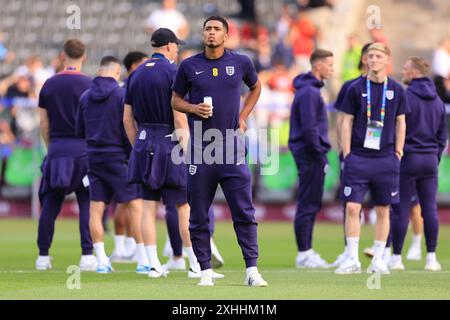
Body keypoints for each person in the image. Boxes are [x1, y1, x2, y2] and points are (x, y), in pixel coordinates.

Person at [172, 16, 267, 287]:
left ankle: (252, 270)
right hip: (201, 146)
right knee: (198, 212)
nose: (211, 33)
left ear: (226, 35)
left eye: (216, 29)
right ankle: (204, 270)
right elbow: (175, 100)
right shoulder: (189, 65)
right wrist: (193, 108)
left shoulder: (241, 62)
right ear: (203, 34)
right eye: (207, 29)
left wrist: (243, 115)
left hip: (231, 145)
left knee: (244, 211)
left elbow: (256, 86)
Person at [124, 28, 216, 279]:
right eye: (176, 45)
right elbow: (179, 118)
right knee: (183, 206)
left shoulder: (136, 74)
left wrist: (138, 146)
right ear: (168, 46)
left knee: (147, 207)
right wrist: (189, 153)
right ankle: (196, 264)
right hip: (169, 143)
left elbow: (127, 118)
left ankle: (153, 264)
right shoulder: (175, 72)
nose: (177, 49)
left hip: (144, 142)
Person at [335, 42, 409, 275]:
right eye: (370, 56)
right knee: (353, 207)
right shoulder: (355, 87)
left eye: (378, 56)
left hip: (386, 158)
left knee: (383, 209)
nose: (373, 60)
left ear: (388, 60)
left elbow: (401, 121)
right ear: (365, 60)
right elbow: (345, 120)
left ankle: (378, 258)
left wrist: (398, 150)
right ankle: (352, 258)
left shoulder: (396, 89)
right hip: (358, 156)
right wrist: (346, 152)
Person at [76, 56, 149, 274]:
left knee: (96, 209)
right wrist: (133, 156)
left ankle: (101, 261)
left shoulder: (85, 97)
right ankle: (143, 260)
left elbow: (80, 131)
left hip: (94, 158)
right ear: (117, 72)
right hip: (119, 159)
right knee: (136, 206)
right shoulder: (121, 94)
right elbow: (126, 129)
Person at [35, 39, 95, 271]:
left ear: (62, 56)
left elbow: (43, 122)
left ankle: (42, 256)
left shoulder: (49, 84)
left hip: (58, 149)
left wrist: (52, 148)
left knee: (50, 204)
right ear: (85, 56)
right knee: (87, 203)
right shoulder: (90, 84)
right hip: (83, 150)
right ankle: (88, 256)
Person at [388, 57, 448, 272]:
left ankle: (396, 258)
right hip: (430, 160)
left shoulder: (405, 96)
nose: (401, 72)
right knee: (430, 209)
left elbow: (396, 128)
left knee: (401, 209)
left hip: (408, 158)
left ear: (413, 73)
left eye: (404, 68)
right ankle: (431, 258)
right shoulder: (438, 101)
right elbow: (443, 136)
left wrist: (397, 153)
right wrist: (435, 155)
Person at [288, 49, 334, 268]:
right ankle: (304, 253)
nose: (332, 69)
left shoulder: (310, 90)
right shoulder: (309, 93)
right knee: (308, 203)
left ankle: (306, 251)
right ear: (318, 66)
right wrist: (320, 154)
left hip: (310, 152)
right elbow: (309, 128)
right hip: (309, 154)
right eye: (330, 65)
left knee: (310, 203)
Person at [110, 51, 149, 263]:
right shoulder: (129, 87)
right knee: (134, 202)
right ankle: (134, 248)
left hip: (125, 150)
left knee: (125, 202)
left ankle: (123, 246)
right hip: (129, 150)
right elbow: (127, 122)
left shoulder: (127, 86)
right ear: (134, 65)